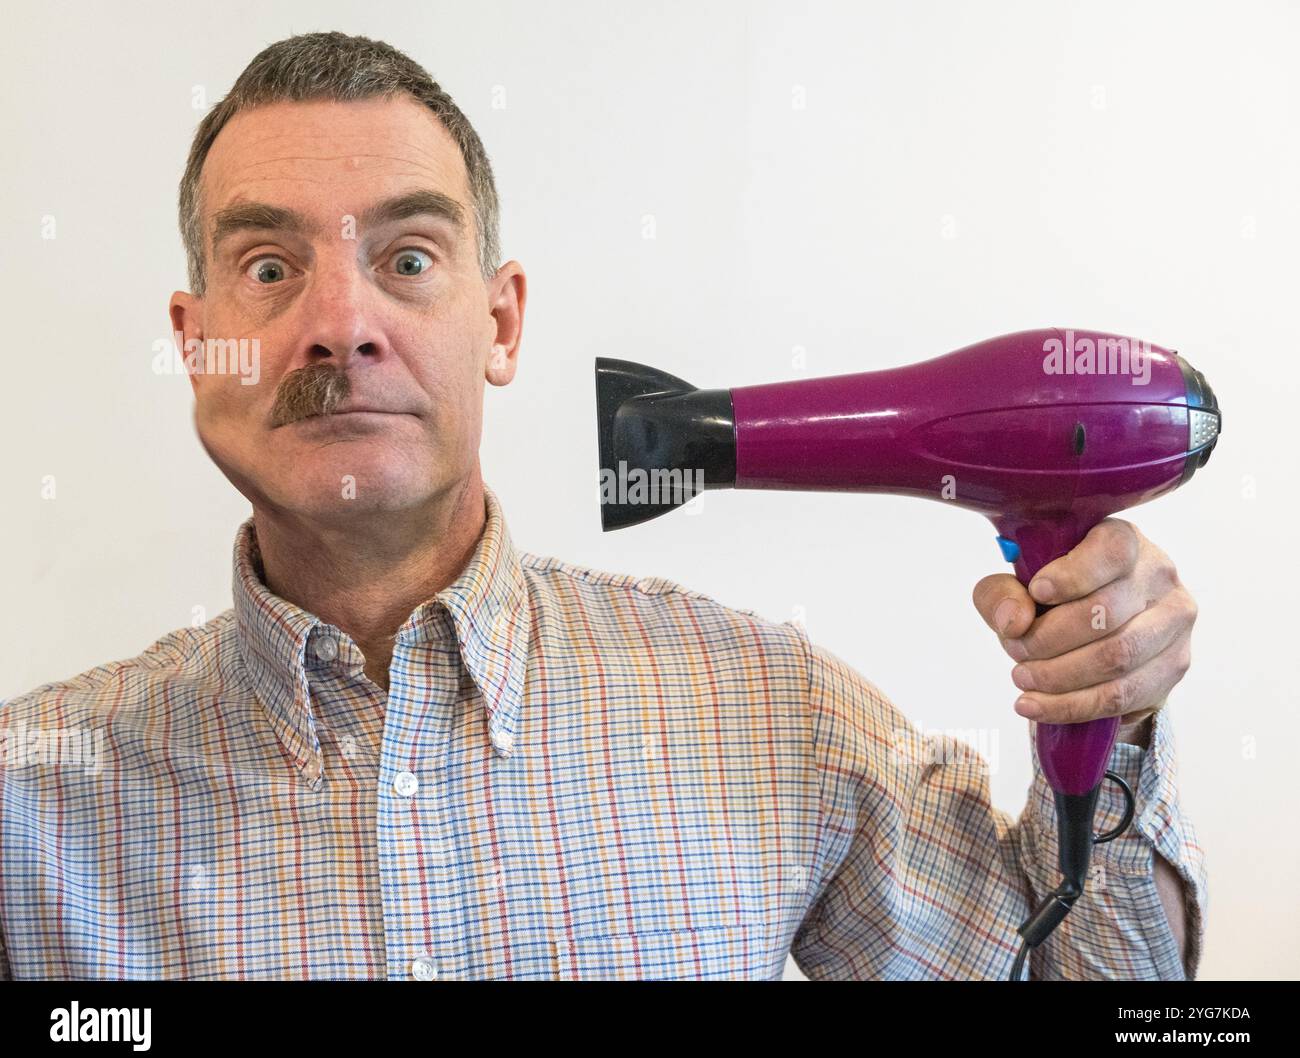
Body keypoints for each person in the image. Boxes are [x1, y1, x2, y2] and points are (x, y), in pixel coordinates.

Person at [0, 32, 1205, 981]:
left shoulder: (771, 712)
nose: (341, 324)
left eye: (408, 260)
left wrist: (1116, 716)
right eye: (269, 269)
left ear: (501, 323)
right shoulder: (29, 800)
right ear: (196, 344)